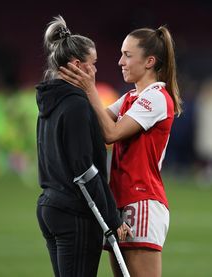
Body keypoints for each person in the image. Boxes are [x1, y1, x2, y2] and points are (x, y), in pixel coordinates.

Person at [59, 25, 182, 277]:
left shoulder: (156, 97)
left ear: (149, 61)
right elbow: (94, 123)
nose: (120, 62)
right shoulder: (130, 97)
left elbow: (110, 133)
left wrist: (90, 88)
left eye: (127, 55)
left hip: (142, 200)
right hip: (120, 201)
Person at [35, 15, 132, 277]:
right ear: (78, 65)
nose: (96, 70)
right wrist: (112, 218)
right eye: (93, 64)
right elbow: (84, 170)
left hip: (50, 205)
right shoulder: (77, 104)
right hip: (74, 211)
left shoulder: (49, 100)